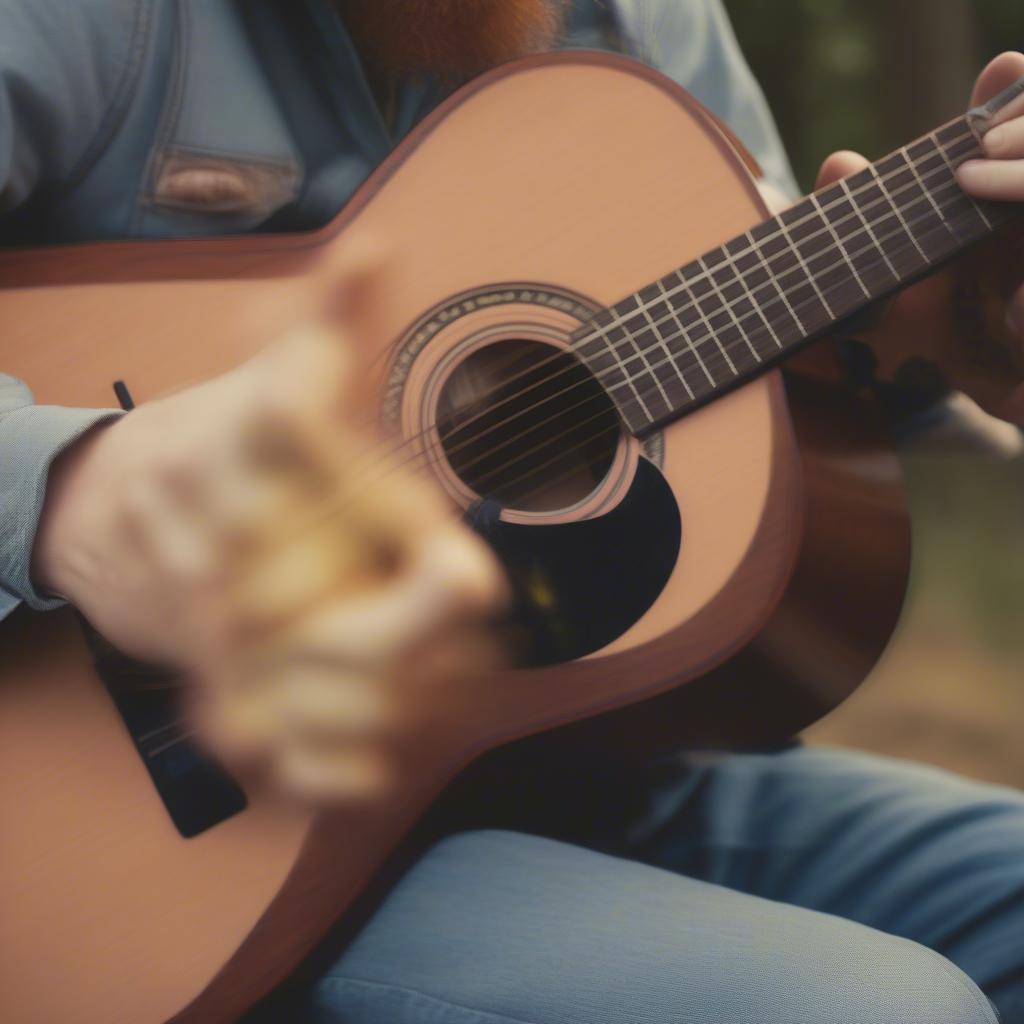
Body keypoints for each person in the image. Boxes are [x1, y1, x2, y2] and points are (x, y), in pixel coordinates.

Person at [2, 2, 1023, 1021]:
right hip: (225, 845)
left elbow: (771, 364)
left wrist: (936, 341)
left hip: (594, 751)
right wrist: (71, 495)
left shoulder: (651, 23)